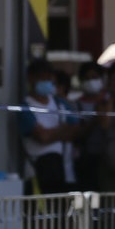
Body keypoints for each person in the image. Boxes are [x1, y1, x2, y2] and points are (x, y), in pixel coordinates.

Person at [21, 61, 81, 194]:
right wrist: (62, 129)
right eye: (43, 79)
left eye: (49, 79)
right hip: (37, 170)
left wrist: (50, 133)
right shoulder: (25, 106)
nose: (47, 82)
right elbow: (42, 137)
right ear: (31, 79)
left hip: (63, 170)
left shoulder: (60, 103)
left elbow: (76, 129)